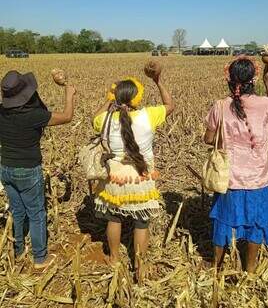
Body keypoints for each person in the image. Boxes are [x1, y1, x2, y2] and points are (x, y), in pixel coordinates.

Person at [92, 70, 174, 280]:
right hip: (141, 176)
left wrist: (109, 101)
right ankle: (140, 264)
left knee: (114, 218)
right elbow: (170, 105)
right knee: (141, 222)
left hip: (115, 177)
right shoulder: (149, 115)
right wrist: (158, 81)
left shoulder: (106, 119)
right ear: (137, 98)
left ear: (117, 98)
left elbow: (95, 118)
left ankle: (114, 258)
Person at [204, 57, 268, 273]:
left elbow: (209, 139)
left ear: (229, 79)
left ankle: (217, 266)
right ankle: (251, 267)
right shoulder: (266, 104)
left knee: (224, 220)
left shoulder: (220, 106)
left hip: (229, 177)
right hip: (258, 177)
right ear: (253, 79)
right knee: (256, 222)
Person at [0, 70, 76, 270]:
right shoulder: (34, 116)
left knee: (17, 211)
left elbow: (32, 104)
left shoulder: (2, 111)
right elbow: (67, 117)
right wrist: (68, 93)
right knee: (36, 213)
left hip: (5, 168)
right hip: (28, 170)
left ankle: (17, 251)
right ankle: (40, 258)